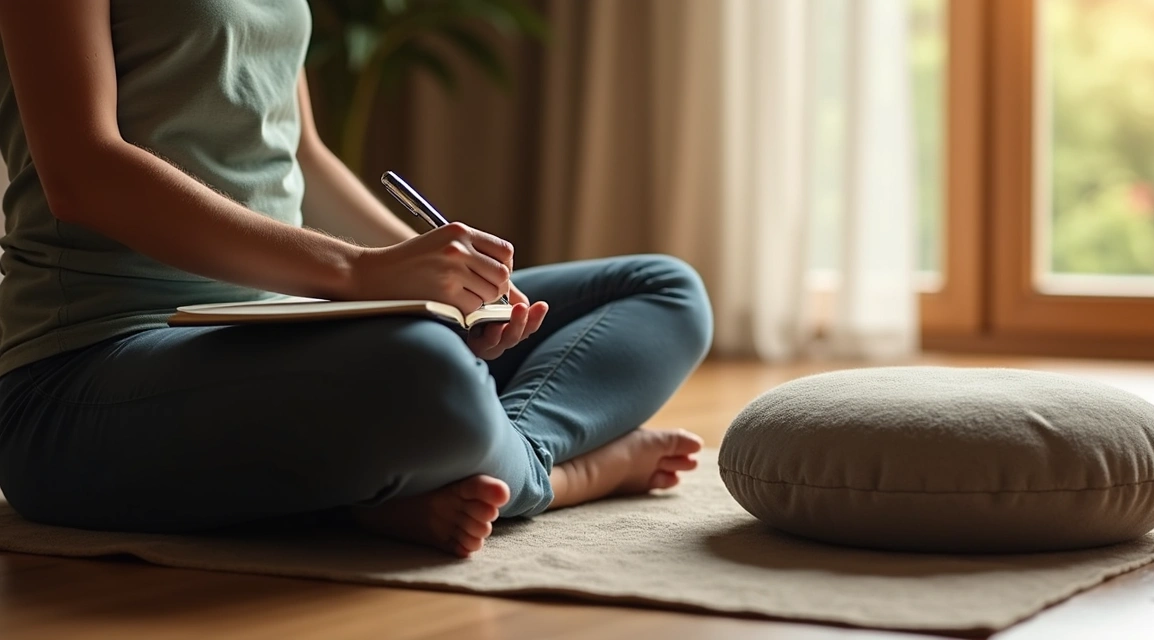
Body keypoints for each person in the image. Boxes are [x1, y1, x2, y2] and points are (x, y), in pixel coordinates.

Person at [0, 1, 712, 558]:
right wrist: (361, 272)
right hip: (85, 376)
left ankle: (433, 468)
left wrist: (445, 285)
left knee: (662, 288)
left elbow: (302, 156)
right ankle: (560, 475)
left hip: (280, 336)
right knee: (422, 368)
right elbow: (84, 174)